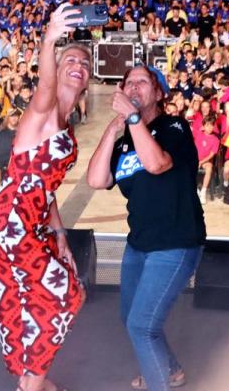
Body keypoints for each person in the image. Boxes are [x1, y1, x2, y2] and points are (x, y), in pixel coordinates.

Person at [0, 4, 89, 391]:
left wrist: (59, 236)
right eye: (70, 59)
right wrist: (50, 38)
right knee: (66, 297)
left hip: (29, 221)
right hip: (10, 221)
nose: (79, 63)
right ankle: (33, 384)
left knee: (23, 302)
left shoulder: (66, 123)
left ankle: (29, 377)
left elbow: (48, 188)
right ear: (56, 69)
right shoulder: (43, 110)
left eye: (84, 62)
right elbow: (43, 85)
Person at [86, 65, 206, 391]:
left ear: (159, 93)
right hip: (139, 243)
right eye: (129, 82)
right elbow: (97, 179)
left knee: (142, 327)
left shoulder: (174, 127)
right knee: (131, 318)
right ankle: (172, 371)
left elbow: (156, 164)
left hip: (175, 242)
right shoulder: (126, 140)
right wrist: (112, 131)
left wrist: (134, 121)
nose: (134, 86)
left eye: (143, 81)